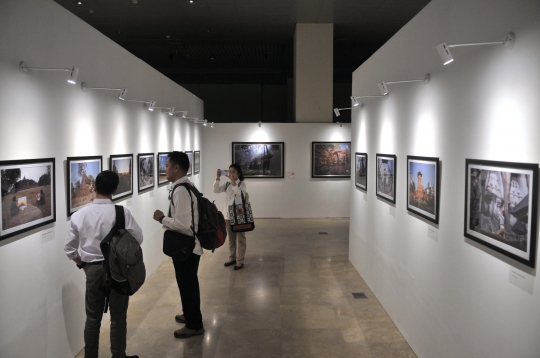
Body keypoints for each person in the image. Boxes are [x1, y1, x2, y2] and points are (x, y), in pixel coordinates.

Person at [64, 170, 143, 358]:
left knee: (92, 320)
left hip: (92, 270)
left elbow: (69, 249)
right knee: (118, 319)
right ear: (115, 189)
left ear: (95, 187)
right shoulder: (121, 213)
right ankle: (118, 356)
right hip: (118, 270)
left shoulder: (80, 215)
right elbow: (138, 239)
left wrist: (83, 265)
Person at [152, 151, 204, 338]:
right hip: (189, 246)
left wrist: (162, 219)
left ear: (176, 168)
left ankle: (194, 325)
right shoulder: (186, 185)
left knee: (188, 286)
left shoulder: (181, 190)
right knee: (187, 285)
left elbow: (183, 225)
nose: (164, 169)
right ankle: (190, 315)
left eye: (166, 165)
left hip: (187, 248)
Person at [214, 164, 247, 270]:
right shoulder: (227, 184)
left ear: (238, 173)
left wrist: (233, 182)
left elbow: (238, 194)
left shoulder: (242, 184)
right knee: (231, 238)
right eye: (229, 171)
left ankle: (240, 261)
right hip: (228, 214)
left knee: (241, 238)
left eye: (233, 172)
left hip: (239, 213)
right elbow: (216, 190)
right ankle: (232, 258)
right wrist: (218, 178)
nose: (230, 174)